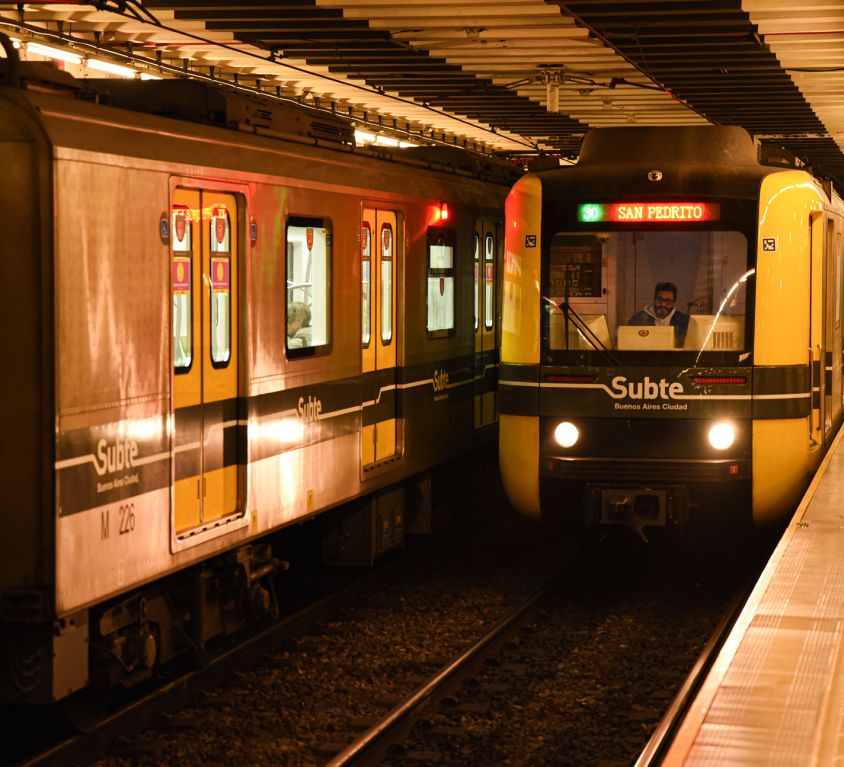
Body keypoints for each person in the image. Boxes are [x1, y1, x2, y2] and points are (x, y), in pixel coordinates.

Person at [628, 282, 689, 346]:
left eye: (668, 301)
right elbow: (628, 342)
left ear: (674, 302)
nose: (663, 304)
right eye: (660, 299)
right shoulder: (638, 319)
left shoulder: (683, 320)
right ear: (654, 299)